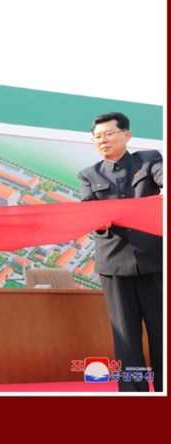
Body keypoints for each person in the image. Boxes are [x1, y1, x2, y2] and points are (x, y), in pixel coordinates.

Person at [78, 112, 163, 392]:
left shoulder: (148, 160)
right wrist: (97, 219)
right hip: (114, 265)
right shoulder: (89, 174)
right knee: (126, 338)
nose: (103, 140)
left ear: (127, 135)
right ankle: (133, 395)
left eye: (109, 134)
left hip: (154, 261)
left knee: (161, 332)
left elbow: (162, 177)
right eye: (97, 137)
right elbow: (88, 211)